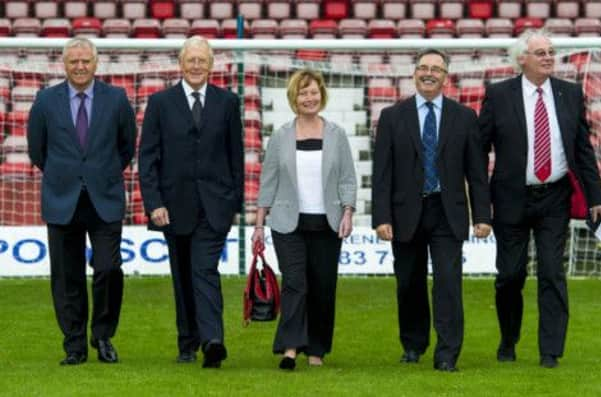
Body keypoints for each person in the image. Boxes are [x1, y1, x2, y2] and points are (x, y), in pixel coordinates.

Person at [478, 29, 601, 368]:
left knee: (552, 272)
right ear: (521, 58)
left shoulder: (569, 93)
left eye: (551, 51)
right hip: (510, 200)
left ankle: (550, 351)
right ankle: (509, 338)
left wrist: (596, 196)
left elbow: (582, 149)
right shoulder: (498, 95)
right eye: (541, 52)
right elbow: (479, 150)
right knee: (510, 275)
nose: (549, 57)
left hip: (555, 198)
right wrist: (478, 203)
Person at [372, 49, 492, 372]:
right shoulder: (392, 117)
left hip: (447, 211)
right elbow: (382, 173)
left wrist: (483, 215)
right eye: (423, 67)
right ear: (414, 73)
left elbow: (477, 173)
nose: (429, 73)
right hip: (404, 213)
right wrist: (381, 217)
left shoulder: (465, 117)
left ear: (445, 76)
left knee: (448, 283)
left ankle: (447, 353)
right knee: (408, 282)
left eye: (436, 69)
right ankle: (413, 344)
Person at [27, 38, 136, 365]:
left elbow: (126, 146)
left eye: (85, 61)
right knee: (66, 276)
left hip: (105, 198)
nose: (79, 66)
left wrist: (100, 173)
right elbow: (37, 150)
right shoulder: (45, 100)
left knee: (108, 268)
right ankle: (74, 344)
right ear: (64, 64)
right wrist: (68, 175)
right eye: (73, 61)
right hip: (62, 199)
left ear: (96, 63)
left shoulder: (116, 99)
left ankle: (102, 336)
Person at [138, 36, 244, 368]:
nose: (196, 65)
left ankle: (213, 340)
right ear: (180, 64)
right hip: (172, 207)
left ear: (211, 65)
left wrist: (233, 204)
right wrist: (154, 203)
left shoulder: (227, 103)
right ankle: (187, 341)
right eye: (191, 60)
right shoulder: (160, 103)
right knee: (182, 276)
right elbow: (148, 159)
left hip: (214, 207)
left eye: (202, 60)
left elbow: (235, 157)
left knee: (204, 270)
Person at [251, 69, 357, 371]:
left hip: (328, 223)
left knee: (323, 286)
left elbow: (348, 178)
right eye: (303, 93)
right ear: (293, 98)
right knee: (295, 284)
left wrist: (348, 210)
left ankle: (317, 349)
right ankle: (290, 348)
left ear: (321, 95)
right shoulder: (281, 136)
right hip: (287, 224)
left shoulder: (337, 135)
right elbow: (268, 181)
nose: (309, 98)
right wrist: (259, 225)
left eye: (313, 92)